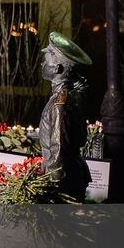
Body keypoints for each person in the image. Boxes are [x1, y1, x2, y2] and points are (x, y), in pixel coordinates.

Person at [39, 32, 92, 202]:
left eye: (46, 60)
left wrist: (50, 187)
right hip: (75, 175)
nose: (42, 63)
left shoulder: (58, 105)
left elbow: (58, 149)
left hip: (63, 183)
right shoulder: (73, 96)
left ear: (56, 68)